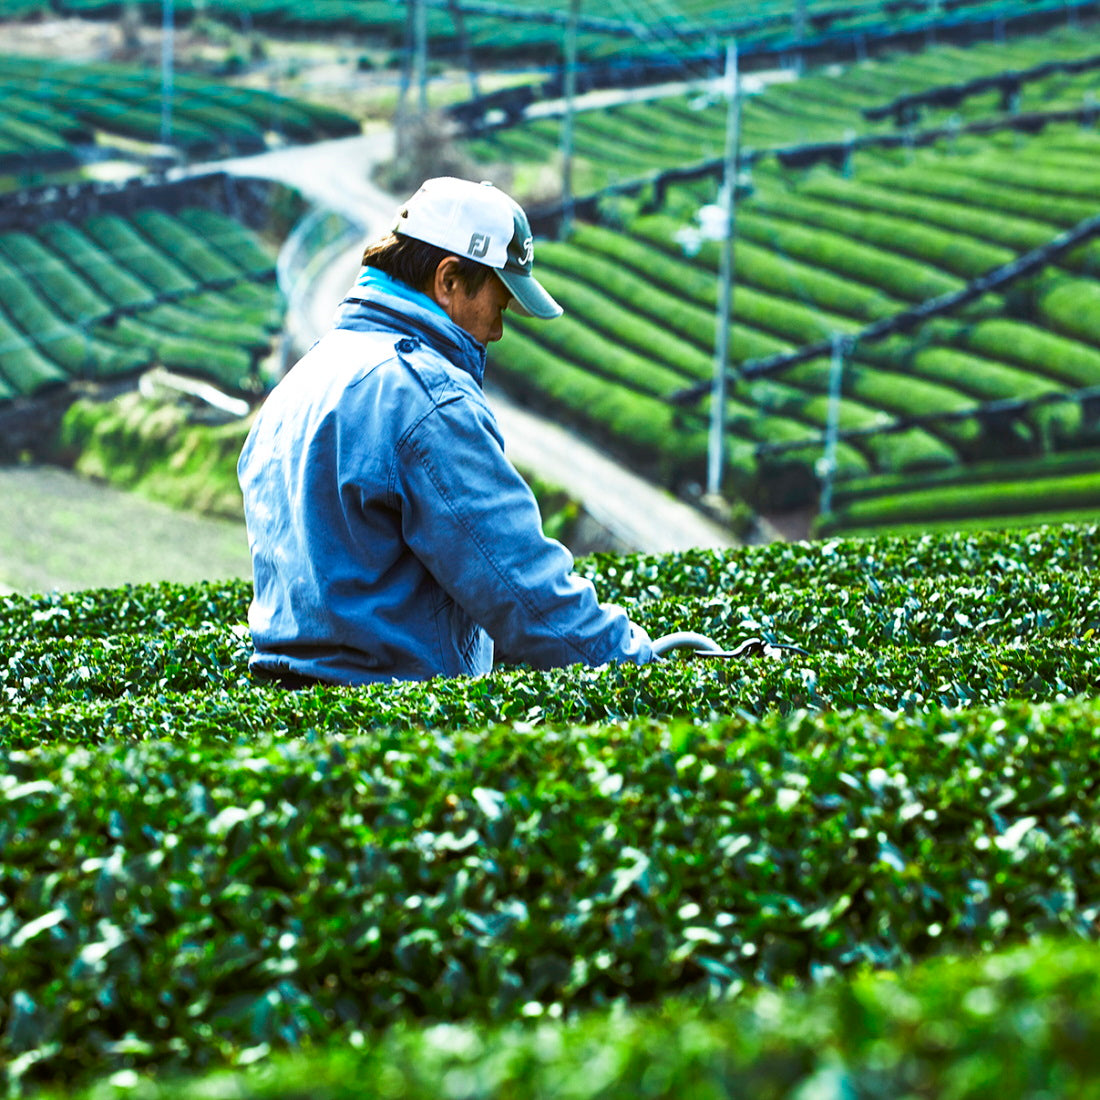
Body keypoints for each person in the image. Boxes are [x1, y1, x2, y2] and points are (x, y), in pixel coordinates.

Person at [238, 176, 654, 686]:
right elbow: (526, 594)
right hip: (394, 713)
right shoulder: (426, 398)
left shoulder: (301, 381)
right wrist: (643, 667)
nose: (497, 330)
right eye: (498, 306)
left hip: (287, 705)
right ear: (449, 280)